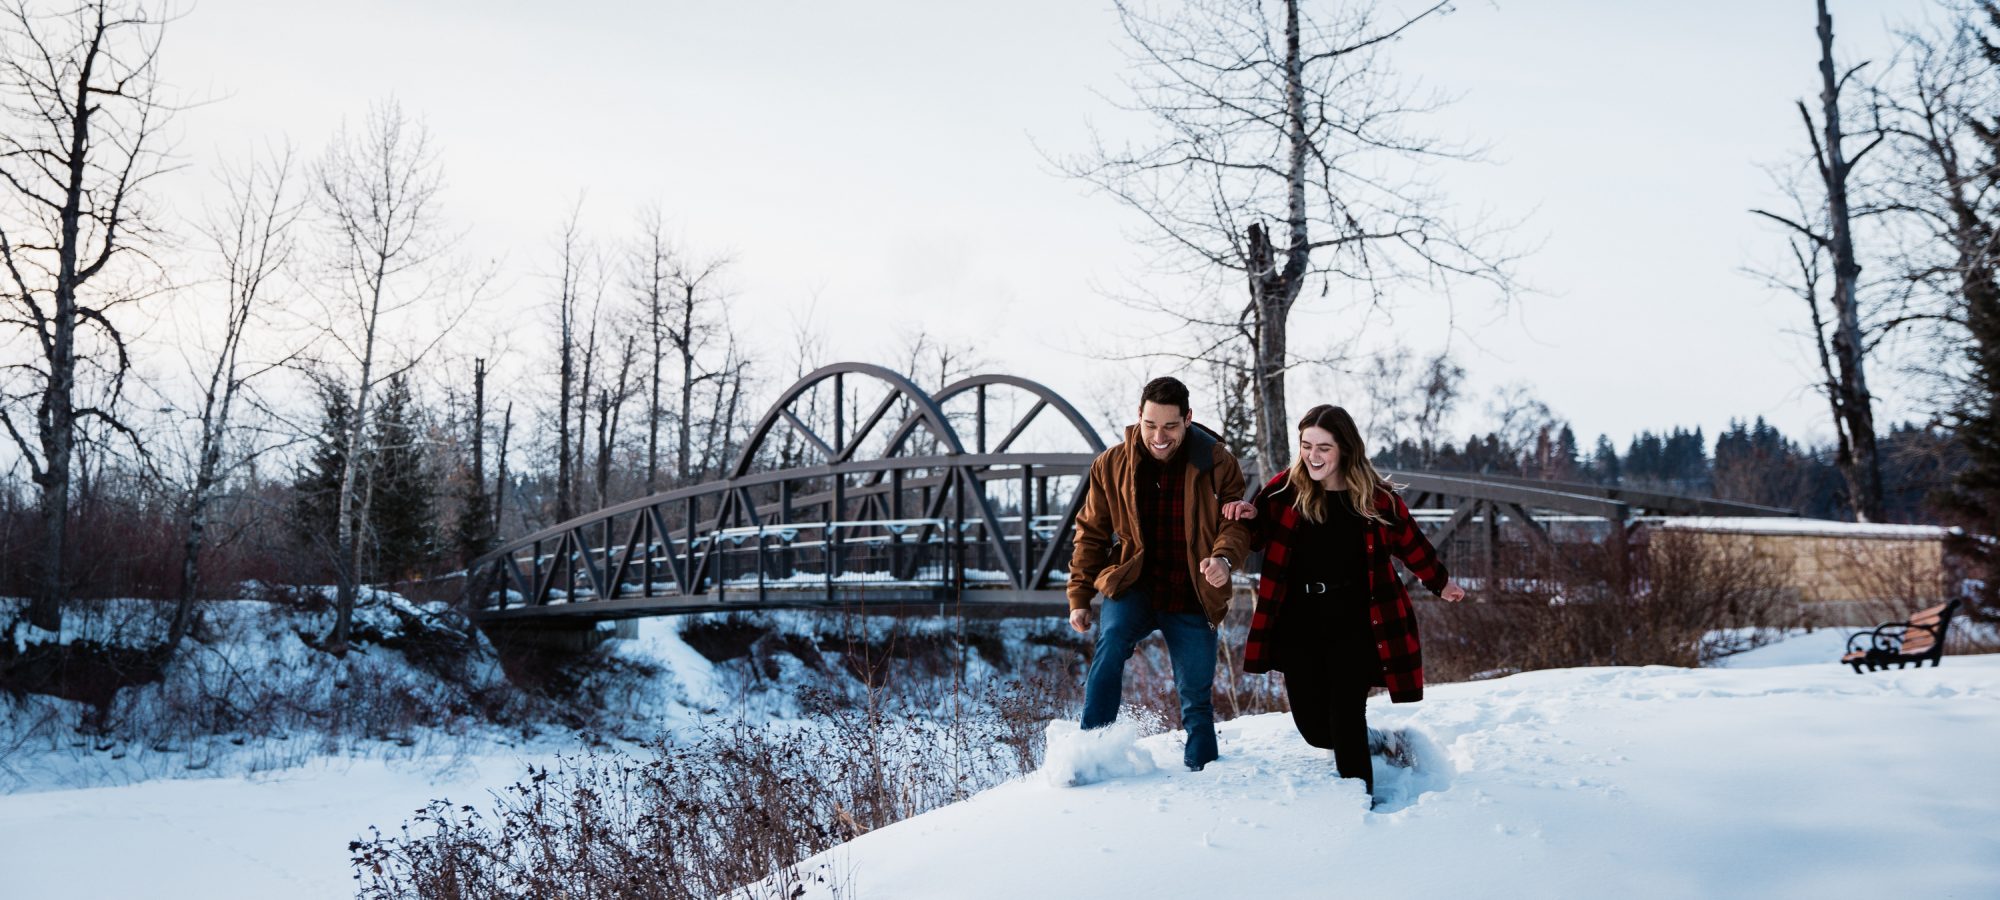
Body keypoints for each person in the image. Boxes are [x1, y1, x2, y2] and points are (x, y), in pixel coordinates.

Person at [1218, 404, 1465, 797]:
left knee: (1346, 716)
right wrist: (1245, 515)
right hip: (1298, 622)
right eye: (1306, 445)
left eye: (1324, 448)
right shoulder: (1284, 491)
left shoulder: (1377, 499)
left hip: (1356, 622)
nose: (1313, 456)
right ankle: (1380, 742)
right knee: (1317, 731)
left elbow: (1410, 542)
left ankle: (1359, 808)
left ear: (1345, 449)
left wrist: (1441, 582)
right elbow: (1258, 536)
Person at [1068, 376, 1251, 771]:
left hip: (1193, 590)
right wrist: (1079, 597)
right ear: (1139, 416)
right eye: (1150, 425)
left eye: (1170, 426)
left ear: (1188, 419)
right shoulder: (1112, 463)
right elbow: (1091, 533)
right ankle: (1090, 752)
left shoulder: (1217, 461)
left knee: (1196, 698)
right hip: (1136, 583)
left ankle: (1203, 775)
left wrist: (1223, 559)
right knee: (1111, 641)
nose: (1159, 436)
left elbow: (1236, 523)